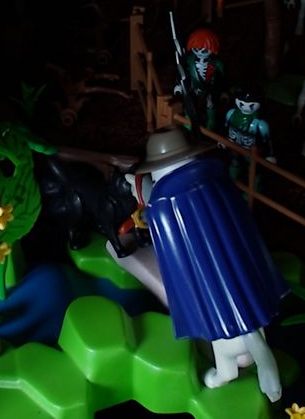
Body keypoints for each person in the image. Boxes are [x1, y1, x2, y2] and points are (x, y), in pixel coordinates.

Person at [117, 127, 287, 401]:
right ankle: (251, 358)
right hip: (240, 271)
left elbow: (167, 242)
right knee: (246, 309)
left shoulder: (165, 201)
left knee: (217, 317)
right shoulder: (217, 180)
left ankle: (229, 368)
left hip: (208, 285)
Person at [174, 27, 227, 132]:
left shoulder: (217, 63)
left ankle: (211, 122)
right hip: (193, 86)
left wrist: (224, 91)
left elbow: (223, 79)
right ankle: (188, 120)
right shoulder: (189, 60)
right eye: (196, 49)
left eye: (204, 50)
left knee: (211, 103)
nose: (200, 52)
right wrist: (178, 85)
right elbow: (181, 72)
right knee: (188, 100)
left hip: (209, 88)